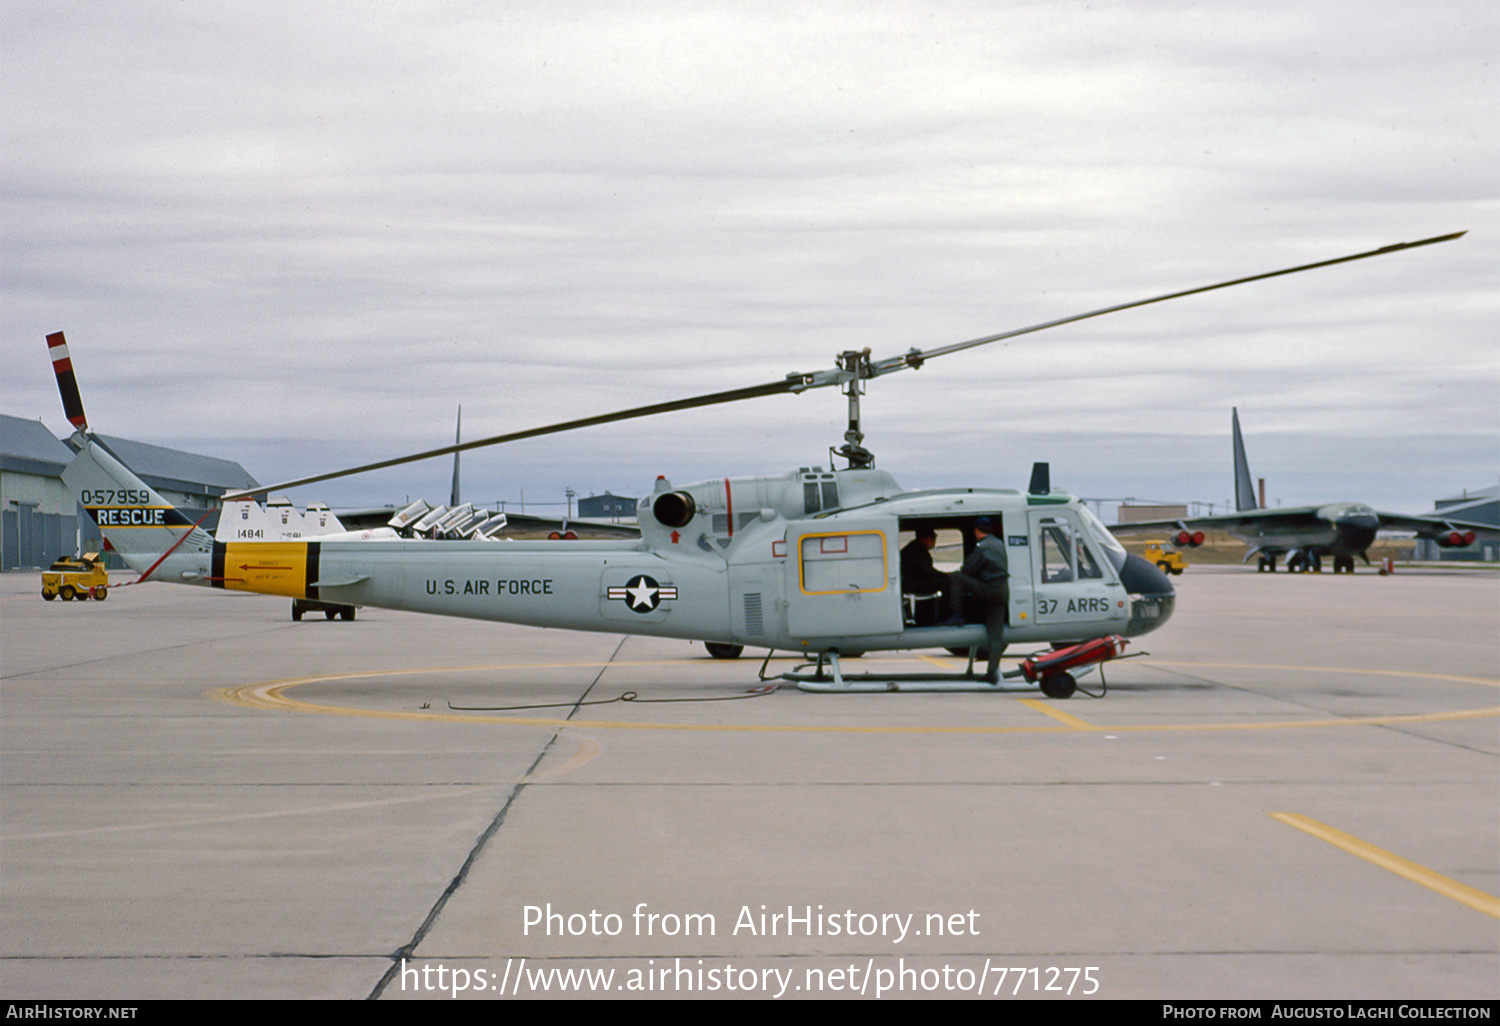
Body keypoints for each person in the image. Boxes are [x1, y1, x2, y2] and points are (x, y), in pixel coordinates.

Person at [944, 516, 1009, 683]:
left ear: (977, 531)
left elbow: (968, 569)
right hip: (1002, 591)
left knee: (957, 577)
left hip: (990, 590)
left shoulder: (983, 547)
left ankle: (957, 615)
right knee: (996, 635)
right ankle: (992, 673)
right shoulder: (999, 544)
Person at [900, 526, 949, 596]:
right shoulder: (916, 551)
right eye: (932, 539)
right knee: (943, 580)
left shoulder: (918, 548)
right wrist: (945, 575)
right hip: (911, 584)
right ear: (923, 539)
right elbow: (927, 571)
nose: (934, 541)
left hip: (913, 582)